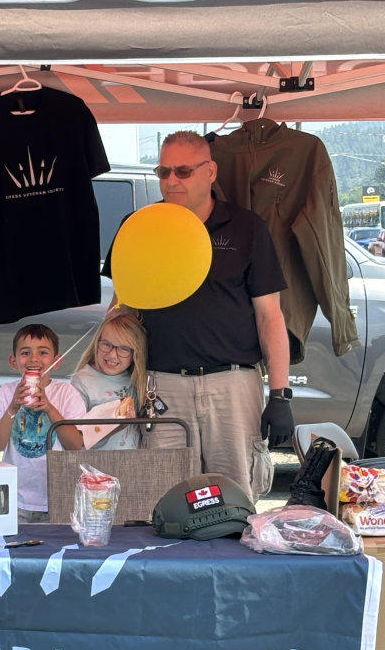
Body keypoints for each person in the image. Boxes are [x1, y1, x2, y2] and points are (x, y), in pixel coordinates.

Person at [104, 130, 293, 500]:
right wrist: (106, 375)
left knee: (235, 499)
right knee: (165, 500)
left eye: (183, 171)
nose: (171, 180)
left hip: (232, 384)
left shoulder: (246, 227)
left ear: (211, 171)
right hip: (161, 385)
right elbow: (120, 309)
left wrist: (281, 394)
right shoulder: (137, 225)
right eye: (163, 171)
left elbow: (270, 316)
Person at [0, 325, 84, 523]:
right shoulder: (6, 393)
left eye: (43, 352)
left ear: (57, 361)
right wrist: (13, 407)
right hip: (15, 498)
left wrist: (49, 408)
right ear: (14, 361)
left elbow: (76, 445)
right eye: (25, 353)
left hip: (57, 497)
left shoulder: (67, 393)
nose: (34, 359)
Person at [70, 308, 147, 450]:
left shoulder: (136, 380)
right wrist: (115, 425)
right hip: (96, 467)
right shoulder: (82, 381)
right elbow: (75, 438)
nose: (112, 355)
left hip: (132, 466)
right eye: (106, 344)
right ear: (97, 342)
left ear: (135, 353)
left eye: (124, 348)